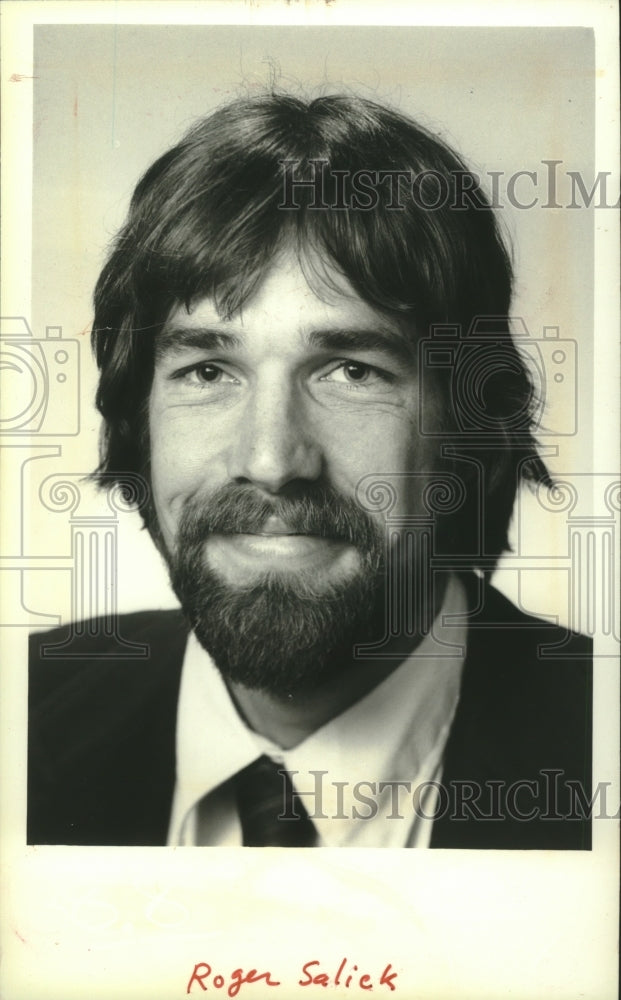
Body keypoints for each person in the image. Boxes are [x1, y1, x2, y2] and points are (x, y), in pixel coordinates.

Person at [28, 93, 592, 849]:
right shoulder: (25, 717)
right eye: (206, 371)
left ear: (469, 423)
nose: (269, 461)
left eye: (352, 371)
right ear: (138, 420)